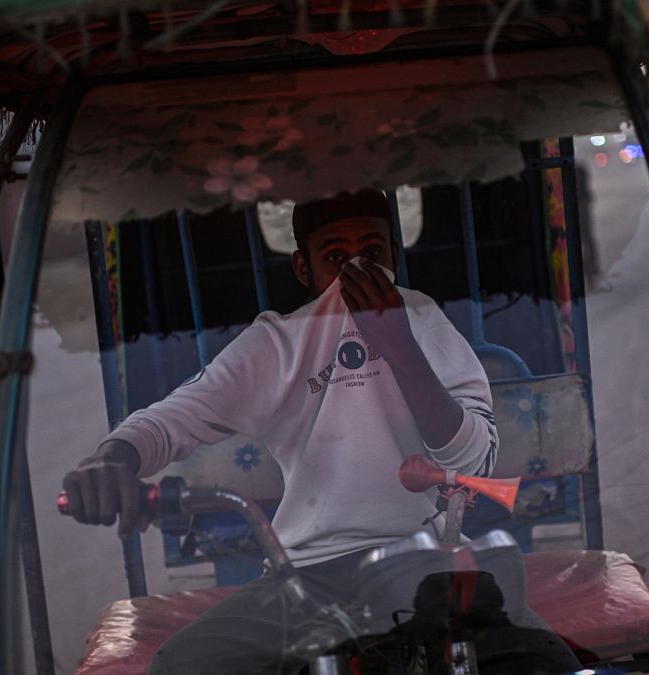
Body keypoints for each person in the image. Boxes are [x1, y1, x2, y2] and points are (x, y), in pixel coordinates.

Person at [62, 189, 580, 673]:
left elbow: (471, 463)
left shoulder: (421, 316)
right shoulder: (277, 344)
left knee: (541, 659)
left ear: (394, 259)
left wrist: (397, 342)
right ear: (303, 269)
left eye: (372, 253)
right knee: (184, 665)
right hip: (303, 575)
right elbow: (169, 419)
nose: (357, 268)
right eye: (336, 256)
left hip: (428, 562)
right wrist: (112, 458)